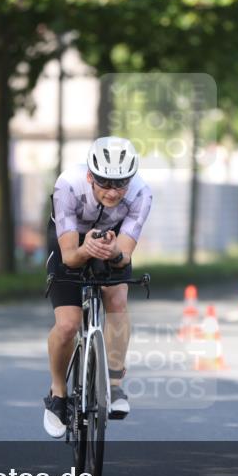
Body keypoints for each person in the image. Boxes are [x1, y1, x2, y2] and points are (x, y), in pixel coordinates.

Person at [43, 136, 153, 438]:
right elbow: (69, 257)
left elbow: (124, 256)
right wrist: (85, 250)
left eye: (121, 184)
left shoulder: (142, 193)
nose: (113, 191)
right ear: (90, 175)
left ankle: (115, 385)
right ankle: (58, 394)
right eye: (105, 182)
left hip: (111, 243)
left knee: (117, 299)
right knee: (68, 325)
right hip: (71, 241)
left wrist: (114, 254)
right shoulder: (68, 185)